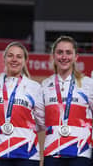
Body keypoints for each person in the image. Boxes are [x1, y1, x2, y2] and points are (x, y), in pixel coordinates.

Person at [0, 41, 45, 166]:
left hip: (27, 153)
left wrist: (24, 129)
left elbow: (42, 121)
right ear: (4, 59)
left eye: (19, 56)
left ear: (24, 61)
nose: (14, 59)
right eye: (10, 55)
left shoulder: (34, 87)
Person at [42, 35, 93, 166]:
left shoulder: (88, 84)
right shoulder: (44, 85)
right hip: (52, 150)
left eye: (68, 53)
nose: (64, 57)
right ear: (53, 56)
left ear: (76, 57)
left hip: (81, 152)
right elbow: (40, 119)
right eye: (60, 52)